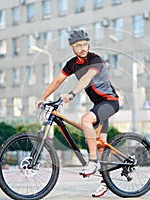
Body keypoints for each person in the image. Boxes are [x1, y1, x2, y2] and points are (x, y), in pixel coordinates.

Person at [37, 29, 119, 197]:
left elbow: (87, 78)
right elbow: (58, 81)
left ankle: (93, 162)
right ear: (72, 48)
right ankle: (106, 182)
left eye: (85, 44)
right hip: (98, 104)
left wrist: (72, 94)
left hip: (110, 102)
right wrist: (42, 98)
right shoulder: (72, 64)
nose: (83, 48)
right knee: (100, 144)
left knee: (86, 119)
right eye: (78, 46)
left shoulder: (95, 59)